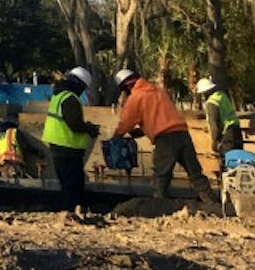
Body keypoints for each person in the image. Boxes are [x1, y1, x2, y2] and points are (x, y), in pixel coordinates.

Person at [111, 68, 212, 200]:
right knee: (196, 174)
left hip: (166, 140)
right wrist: (144, 130)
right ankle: (211, 203)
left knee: (161, 177)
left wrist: (115, 137)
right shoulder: (159, 91)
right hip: (182, 134)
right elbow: (162, 118)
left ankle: (159, 206)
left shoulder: (136, 97)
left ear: (127, 85)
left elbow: (125, 123)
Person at [41, 66, 100, 214]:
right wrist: (89, 129)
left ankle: (70, 210)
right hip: (67, 147)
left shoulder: (58, 95)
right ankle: (71, 212)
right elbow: (74, 123)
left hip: (58, 146)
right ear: (79, 84)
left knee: (67, 183)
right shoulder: (70, 98)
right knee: (73, 184)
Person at [196, 77, 244, 155]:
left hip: (227, 135)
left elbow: (214, 125)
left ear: (205, 92)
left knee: (227, 161)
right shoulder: (222, 95)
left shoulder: (212, 102)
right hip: (236, 131)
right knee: (237, 159)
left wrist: (214, 143)